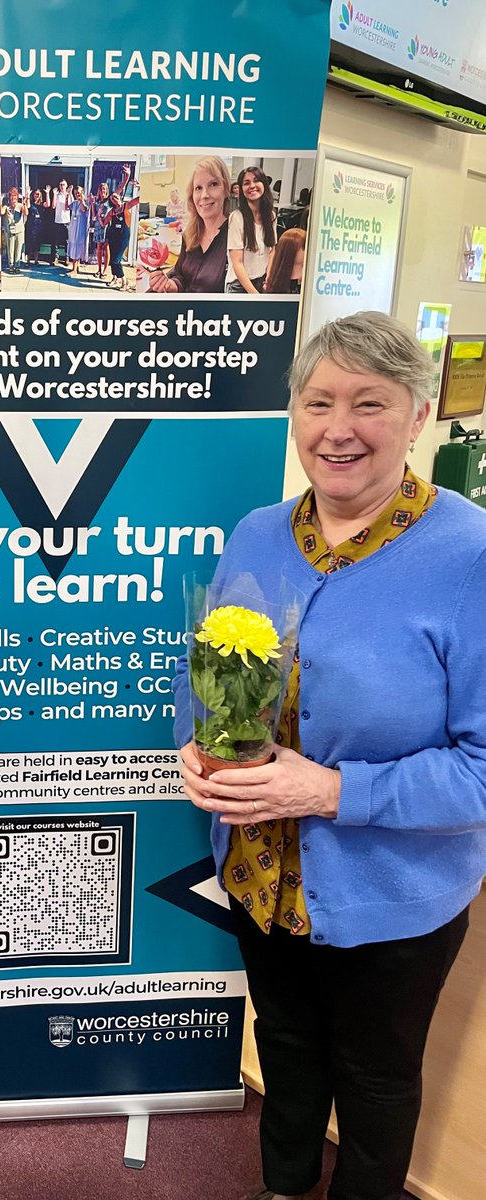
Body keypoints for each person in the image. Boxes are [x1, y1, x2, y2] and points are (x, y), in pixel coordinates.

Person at [173, 311, 486, 1200]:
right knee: (287, 1051)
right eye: (317, 402)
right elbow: (220, 678)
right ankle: (281, 1189)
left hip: (392, 898)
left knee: (378, 1083)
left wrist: (331, 790)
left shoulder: (470, 557)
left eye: (369, 404)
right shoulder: (258, 533)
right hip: (259, 876)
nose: (337, 428)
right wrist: (201, 748)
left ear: (418, 414)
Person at [148, 156, 230, 294]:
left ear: (226, 190)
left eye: (213, 184)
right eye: (198, 188)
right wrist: (170, 285)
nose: (204, 195)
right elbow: (181, 275)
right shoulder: (189, 234)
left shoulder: (236, 237)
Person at [226, 165, 278, 293]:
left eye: (256, 180)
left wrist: (269, 277)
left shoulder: (271, 215)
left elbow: (272, 249)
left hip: (261, 281)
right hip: (239, 285)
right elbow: (237, 263)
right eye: (246, 183)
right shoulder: (237, 218)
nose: (252, 186)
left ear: (264, 184)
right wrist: (255, 296)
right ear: (241, 189)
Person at [100, 181, 140, 291]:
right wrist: (99, 216)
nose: (114, 199)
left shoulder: (126, 206)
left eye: (116, 197)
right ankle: (115, 278)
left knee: (116, 260)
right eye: (112, 199)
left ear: (120, 198)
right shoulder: (112, 211)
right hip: (113, 237)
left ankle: (124, 281)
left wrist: (139, 187)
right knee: (112, 258)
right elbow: (104, 223)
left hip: (123, 238)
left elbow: (138, 200)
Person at [264, 228, 306, 294]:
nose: (307, 251)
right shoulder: (276, 283)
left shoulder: (310, 280)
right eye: (304, 248)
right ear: (291, 251)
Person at [0, 187, 26, 275]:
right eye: (11, 197)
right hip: (10, 232)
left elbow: (26, 213)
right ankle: (11, 266)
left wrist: (25, 203)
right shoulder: (6, 206)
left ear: (17, 197)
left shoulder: (20, 205)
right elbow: (1, 212)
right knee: (10, 250)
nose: (13, 199)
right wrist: (0, 200)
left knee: (18, 249)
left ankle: (17, 266)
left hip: (19, 231)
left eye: (14, 197)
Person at [89, 181, 112, 278]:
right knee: (99, 247)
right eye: (101, 189)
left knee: (106, 247)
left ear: (106, 191)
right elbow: (94, 216)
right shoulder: (97, 201)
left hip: (107, 225)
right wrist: (92, 204)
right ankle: (98, 269)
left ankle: (105, 270)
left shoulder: (109, 201)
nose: (102, 191)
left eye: (104, 189)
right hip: (98, 225)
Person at [65, 184, 89, 275]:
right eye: (75, 193)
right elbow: (67, 207)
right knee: (73, 244)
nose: (77, 195)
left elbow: (83, 209)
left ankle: (74, 269)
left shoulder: (85, 202)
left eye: (78, 193)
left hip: (80, 228)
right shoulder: (74, 203)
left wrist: (82, 199)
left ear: (82, 193)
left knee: (77, 246)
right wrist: (68, 196)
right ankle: (76, 267)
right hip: (73, 227)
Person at [24, 188, 50, 265]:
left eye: (38, 194)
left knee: (37, 243)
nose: (37, 195)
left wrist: (47, 193)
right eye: (35, 194)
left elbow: (48, 204)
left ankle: (36, 260)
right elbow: (27, 205)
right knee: (30, 243)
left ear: (40, 195)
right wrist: (28, 194)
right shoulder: (31, 204)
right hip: (31, 225)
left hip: (39, 226)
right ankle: (28, 260)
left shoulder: (42, 204)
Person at [50, 179, 70, 265]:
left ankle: (67, 258)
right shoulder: (57, 195)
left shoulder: (70, 195)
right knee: (56, 241)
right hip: (57, 221)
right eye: (61, 184)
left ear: (66, 186)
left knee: (67, 241)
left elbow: (68, 208)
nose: (62, 186)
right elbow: (53, 206)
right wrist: (54, 195)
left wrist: (67, 196)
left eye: (63, 185)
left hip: (66, 221)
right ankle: (56, 258)